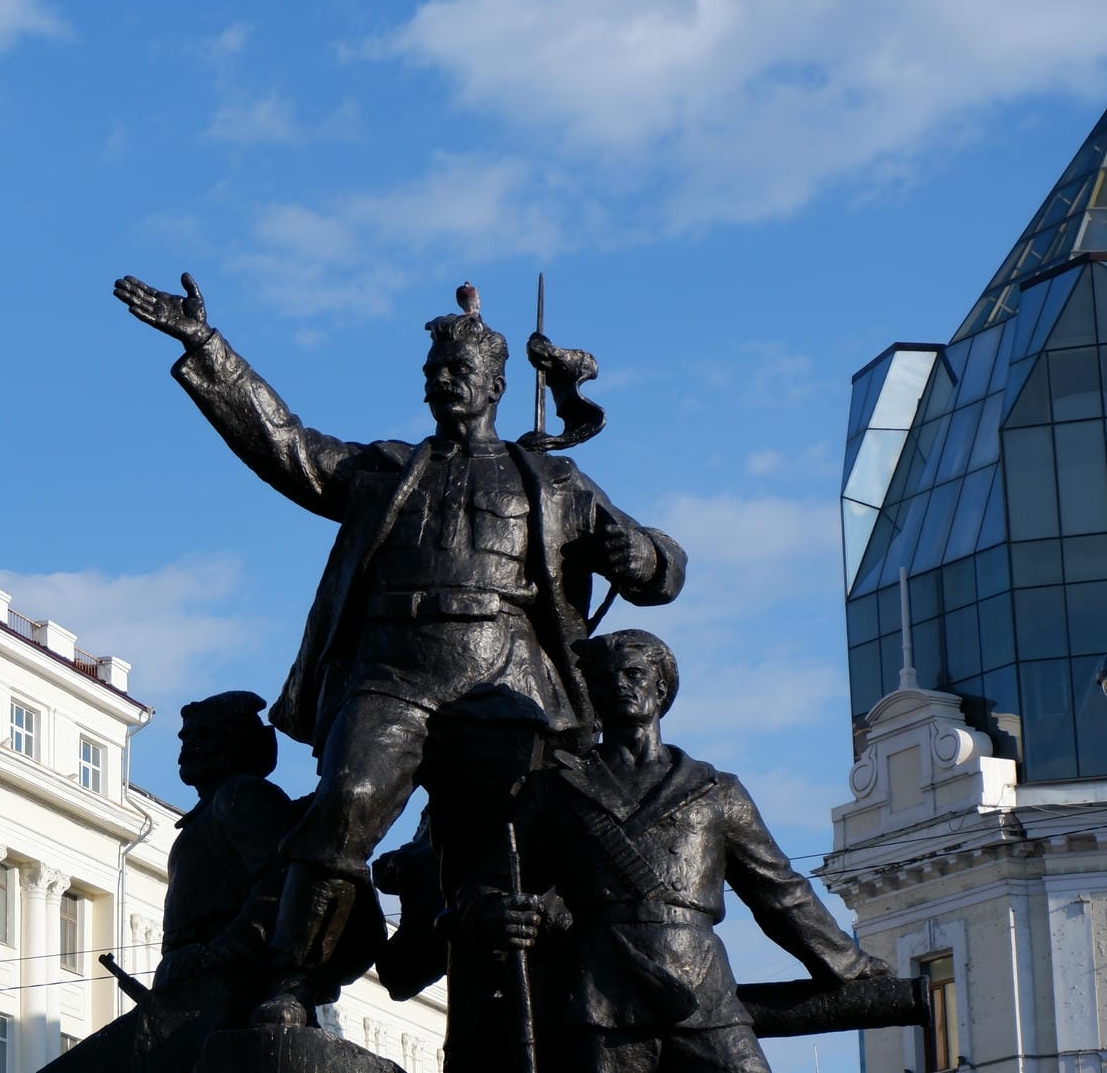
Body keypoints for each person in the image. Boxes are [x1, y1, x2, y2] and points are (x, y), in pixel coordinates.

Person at [112, 273, 688, 1027]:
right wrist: (207, 346)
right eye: (431, 375)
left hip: (505, 675)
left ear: (495, 384)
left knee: (510, 844)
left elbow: (655, 573)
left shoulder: (552, 479)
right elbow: (283, 443)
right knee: (342, 808)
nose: (441, 384)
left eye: (456, 372)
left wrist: (637, 550)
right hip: (395, 669)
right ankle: (292, 981)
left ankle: (520, 1013)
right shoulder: (384, 469)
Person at [485, 630, 889, 1072]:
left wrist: (845, 960)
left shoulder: (716, 791)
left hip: (702, 988)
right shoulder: (555, 790)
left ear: (661, 689)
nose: (619, 684)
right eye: (603, 678)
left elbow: (777, 890)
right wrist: (494, 911)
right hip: (601, 995)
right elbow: (492, 884)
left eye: (633, 674)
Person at [43, 691, 379, 1072]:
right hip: (195, 988)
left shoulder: (241, 795)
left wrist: (224, 949)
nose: (186, 745)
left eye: (201, 734)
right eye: (186, 737)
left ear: (232, 743)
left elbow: (283, 877)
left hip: (224, 989)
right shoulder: (215, 806)